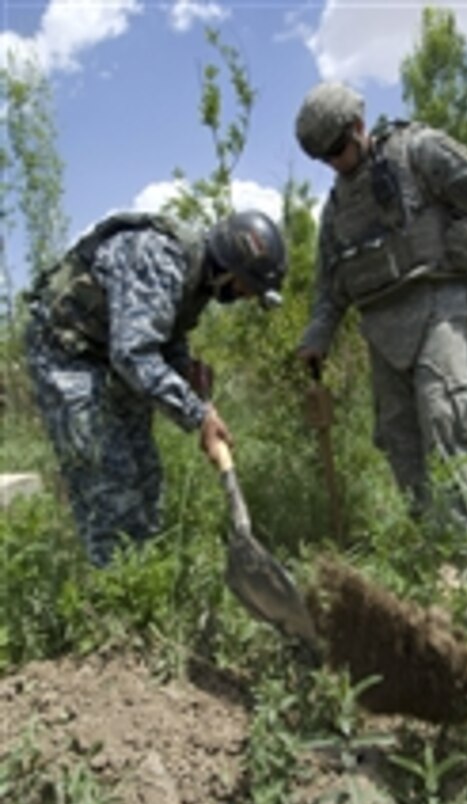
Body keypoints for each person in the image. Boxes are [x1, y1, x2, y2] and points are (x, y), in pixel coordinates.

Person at [295, 81, 467, 536]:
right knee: (400, 441)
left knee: (445, 420)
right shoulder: (337, 207)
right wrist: (317, 336)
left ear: (359, 127)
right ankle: (428, 547)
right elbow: (331, 284)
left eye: (339, 148)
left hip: (439, 303)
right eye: (325, 158)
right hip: (381, 329)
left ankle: (463, 562)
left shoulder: (421, 152)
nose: (335, 163)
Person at [25, 209, 286, 567]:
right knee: (108, 477)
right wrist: (199, 416)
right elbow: (133, 355)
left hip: (109, 354)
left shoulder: (197, 281)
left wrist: (185, 373)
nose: (243, 296)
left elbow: (164, 337)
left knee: (145, 473)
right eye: (246, 286)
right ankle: (113, 595)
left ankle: (145, 573)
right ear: (229, 265)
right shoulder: (159, 258)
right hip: (67, 351)